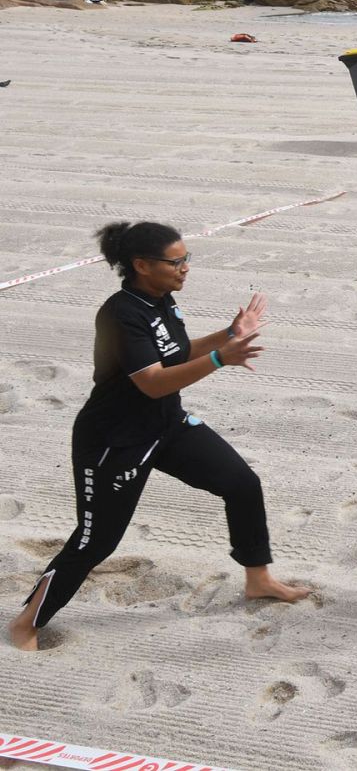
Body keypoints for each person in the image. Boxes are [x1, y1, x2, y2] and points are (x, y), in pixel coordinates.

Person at [8, 222, 309, 651]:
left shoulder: (161, 300)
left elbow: (175, 354)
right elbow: (153, 381)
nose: (185, 268)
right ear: (142, 265)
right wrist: (222, 359)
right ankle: (26, 624)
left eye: (187, 258)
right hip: (115, 441)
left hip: (166, 426)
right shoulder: (121, 313)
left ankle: (258, 579)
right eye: (176, 261)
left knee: (242, 484)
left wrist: (228, 334)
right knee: (96, 542)